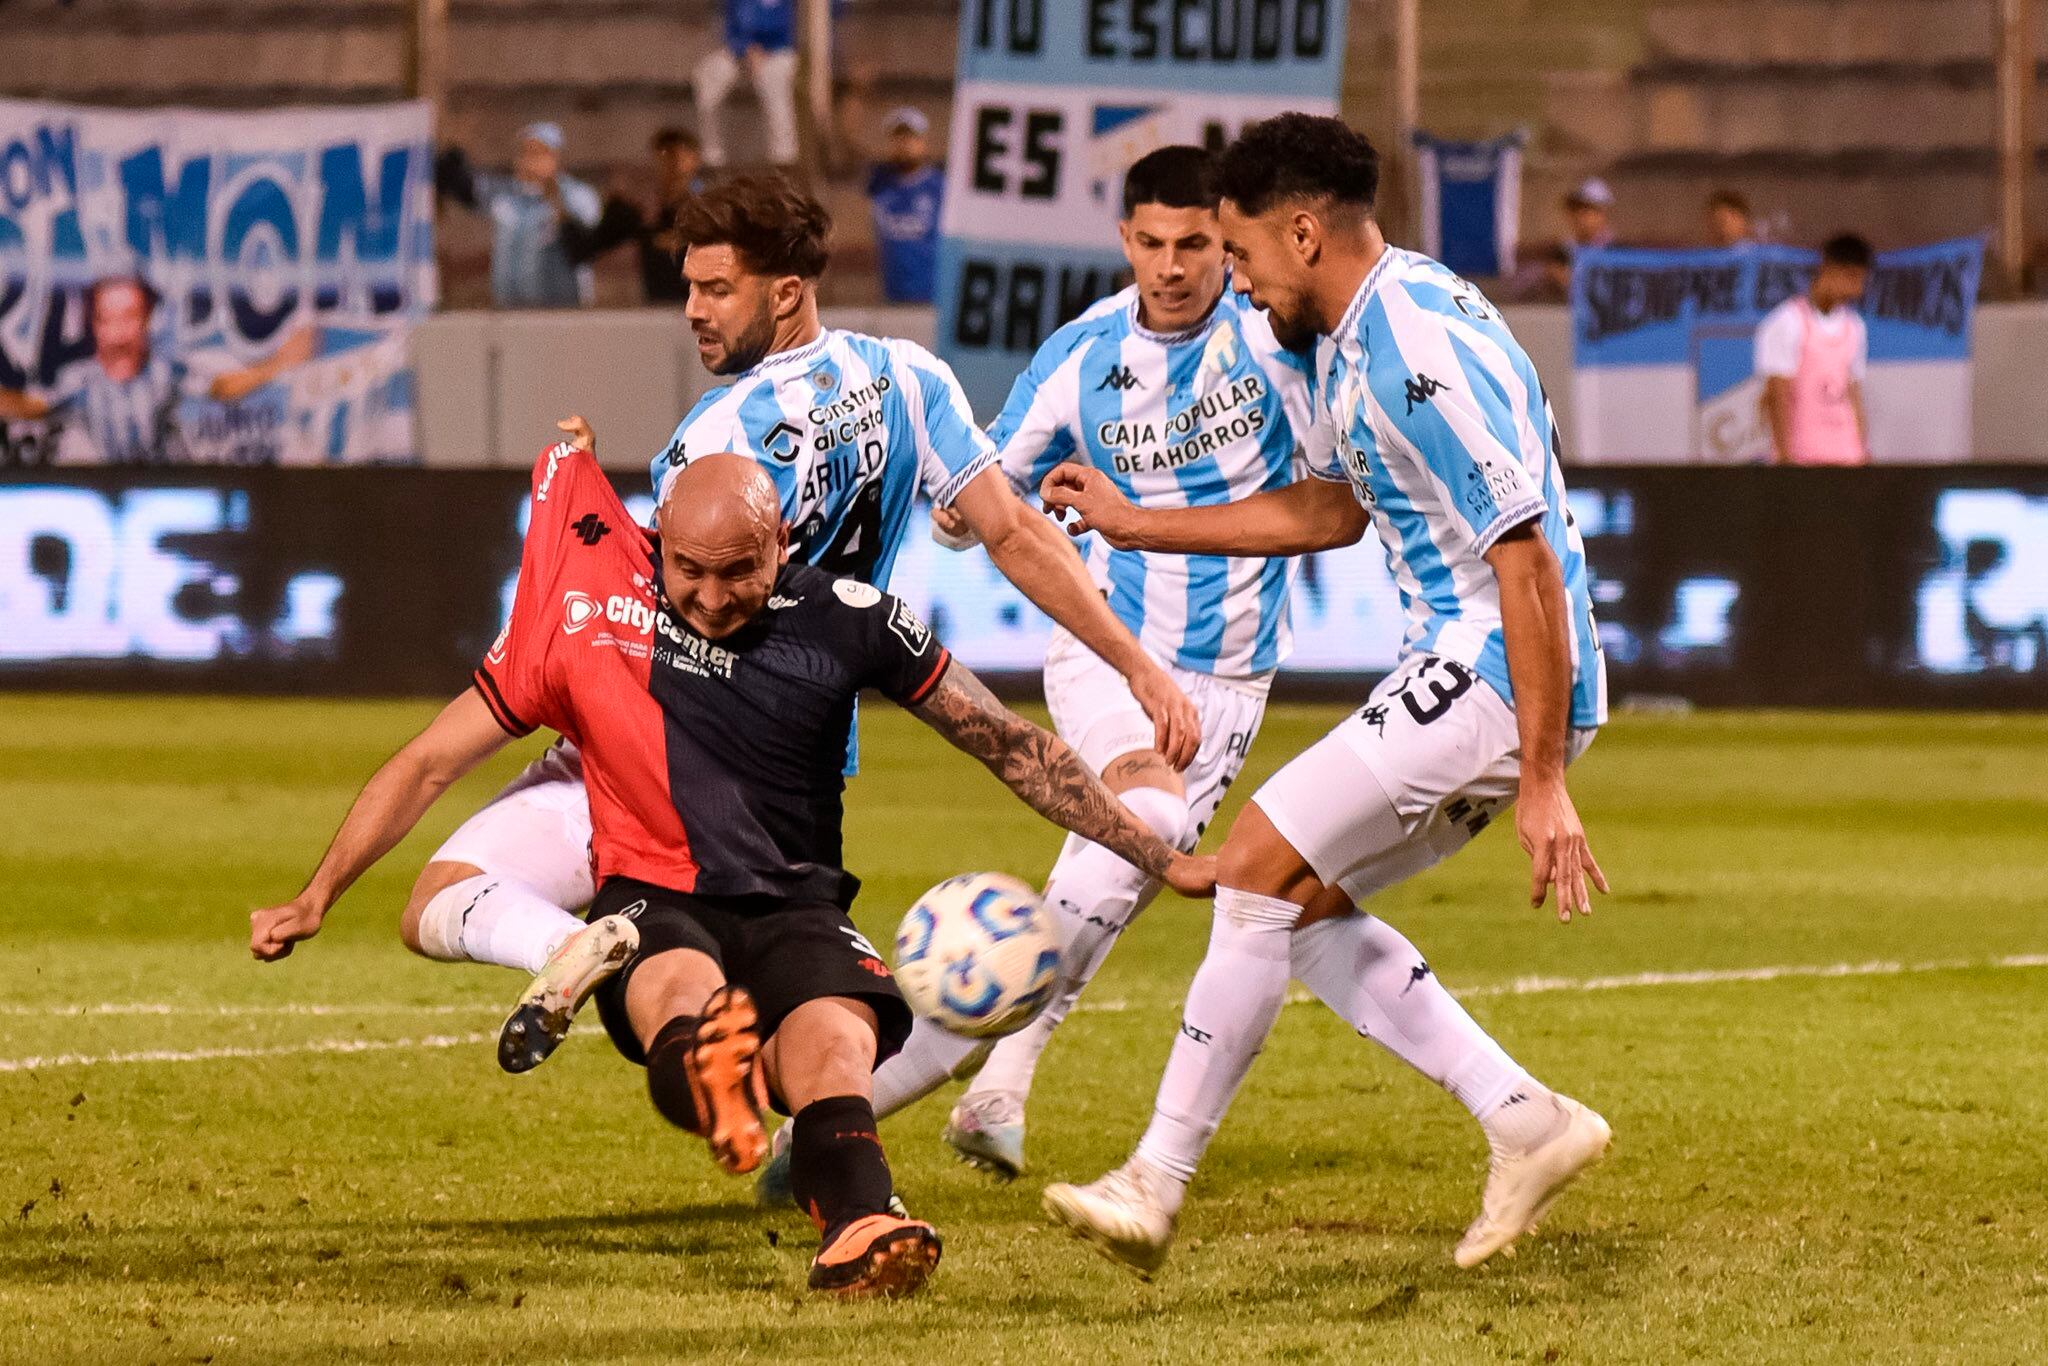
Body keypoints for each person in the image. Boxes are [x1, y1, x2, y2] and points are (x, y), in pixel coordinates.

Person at [249, 441, 1214, 1297]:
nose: (711, 597)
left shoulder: (854, 618)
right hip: (653, 898)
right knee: (678, 992)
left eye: (739, 572)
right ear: (655, 539)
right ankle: (727, 1084)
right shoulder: (590, 616)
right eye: (689, 570)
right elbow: (428, 761)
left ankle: (859, 1229)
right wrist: (318, 892)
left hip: (800, 904)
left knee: (833, 1050)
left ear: (785, 542)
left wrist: (1156, 853)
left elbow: (1008, 745)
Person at [397, 174, 1200, 1073]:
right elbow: (1013, 534)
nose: (692, 310)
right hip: (804, 752)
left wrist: (583, 500)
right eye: (689, 287)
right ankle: (819, 1129)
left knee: (455, 893)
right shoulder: (909, 376)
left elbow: (651, 604)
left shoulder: (717, 437)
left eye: (714, 290)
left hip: (671, 741)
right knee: (785, 994)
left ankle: (585, 965)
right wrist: (1135, 664)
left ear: (785, 293)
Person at [1036, 113, 1613, 1277]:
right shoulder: (1344, 333)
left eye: (1241, 256)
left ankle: (1154, 1178)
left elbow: (1528, 560)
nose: (1236, 286)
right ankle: (1525, 1120)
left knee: (1250, 862)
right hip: (1458, 660)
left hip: (1497, 665)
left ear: (1303, 233)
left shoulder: (1414, 354)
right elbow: (1329, 511)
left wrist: (1542, 779)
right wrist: (1136, 519)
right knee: (1290, 908)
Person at [755, 143, 1331, 1197]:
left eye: (1195, 244)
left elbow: (1332, 484)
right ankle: (953, 1086)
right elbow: (978, 495)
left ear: (1225, 239)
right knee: (1144, 832)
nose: (1171, 265)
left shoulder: (1275, 339)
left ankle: (888, 1108)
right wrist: (974, 513)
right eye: (1151, 243)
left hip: (1234, 678)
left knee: (1103, 886)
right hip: (1109, 654)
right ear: (1123, 241)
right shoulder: (1078, 356)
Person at [0, 275, 315, 463]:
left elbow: (220, 388)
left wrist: (281, 361)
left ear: (146, 322)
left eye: (130, 316)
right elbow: (30, 407)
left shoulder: (167, 374)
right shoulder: (78, 382)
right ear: (94, 325)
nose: (120, 332)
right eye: (108, 319)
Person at [436, 123, 602, 308]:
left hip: (561, 312)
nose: (530, 160)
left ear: (557, 157)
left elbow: (586, 242)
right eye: (526, 152)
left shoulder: (579, 195)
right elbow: (467, 188)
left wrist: (552, 195)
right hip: (511, 312)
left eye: (539, 152)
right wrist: (453, 153)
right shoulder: (508, 195)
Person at [1756, 233, 1872, 467]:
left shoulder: (1855, 327)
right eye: (1850, 278)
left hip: (1847, 458)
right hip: (1803, 458)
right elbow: (1777, 394)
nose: (1856, 290)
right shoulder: (1786, 322)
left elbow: (1853, 393)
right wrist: (1785, 458)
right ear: (1827, 269)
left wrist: (1861, 450)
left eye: (1860, 281)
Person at [562, 128, 706, 304]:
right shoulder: (640, 213)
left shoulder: (708, 214)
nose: (673, 164)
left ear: (695, 161)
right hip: (656, 312)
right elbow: (585, 249)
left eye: (681, 157)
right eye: (666, 156)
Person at [696, 0, 801, 170]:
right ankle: (712, 157)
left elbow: (796, 27)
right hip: (742, 52)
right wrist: (746, 48)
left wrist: (767, 50)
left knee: (772, 77)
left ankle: (783, 159)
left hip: (782, 51)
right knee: (709, 74)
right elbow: (729, 28)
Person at [866, 108, 943, 304]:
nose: (904, 145)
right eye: (898, 138)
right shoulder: (879, 185)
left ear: (922, 142)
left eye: (910, 138)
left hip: (931, 296)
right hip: (891, 294)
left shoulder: (939, 186)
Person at [1561, 177, 1614, 259]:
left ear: (1601, 214)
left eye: (1585, 209)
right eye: (1575, 208)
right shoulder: (1566, 248)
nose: (1578, 215)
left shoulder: (1614, 250)